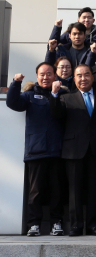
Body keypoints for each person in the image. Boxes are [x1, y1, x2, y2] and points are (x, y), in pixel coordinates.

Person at [6, 64, 66, 237]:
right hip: (36, 150)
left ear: (55, 76)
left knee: (57, 190)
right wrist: (16, 82)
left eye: (49, 74)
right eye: (42, 74)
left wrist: (55, 94)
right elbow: (13, 103)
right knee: (36, 191)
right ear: (37, 76)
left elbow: (61, 115)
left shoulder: (62, 94)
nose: (45, 77)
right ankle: (34, 225)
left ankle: (57, 222)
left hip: (57, 150)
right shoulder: (30, 95)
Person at [49, 64, 96, 236]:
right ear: (74, 79)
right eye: (79, 76)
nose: (83, 78)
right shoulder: (66, 97)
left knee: (94, 188)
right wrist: (54, 94)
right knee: (74, 190)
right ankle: (76, 226)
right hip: (73, 150)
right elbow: (56, 114)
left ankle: (93, 225)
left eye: (86, 75)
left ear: (92, 76)